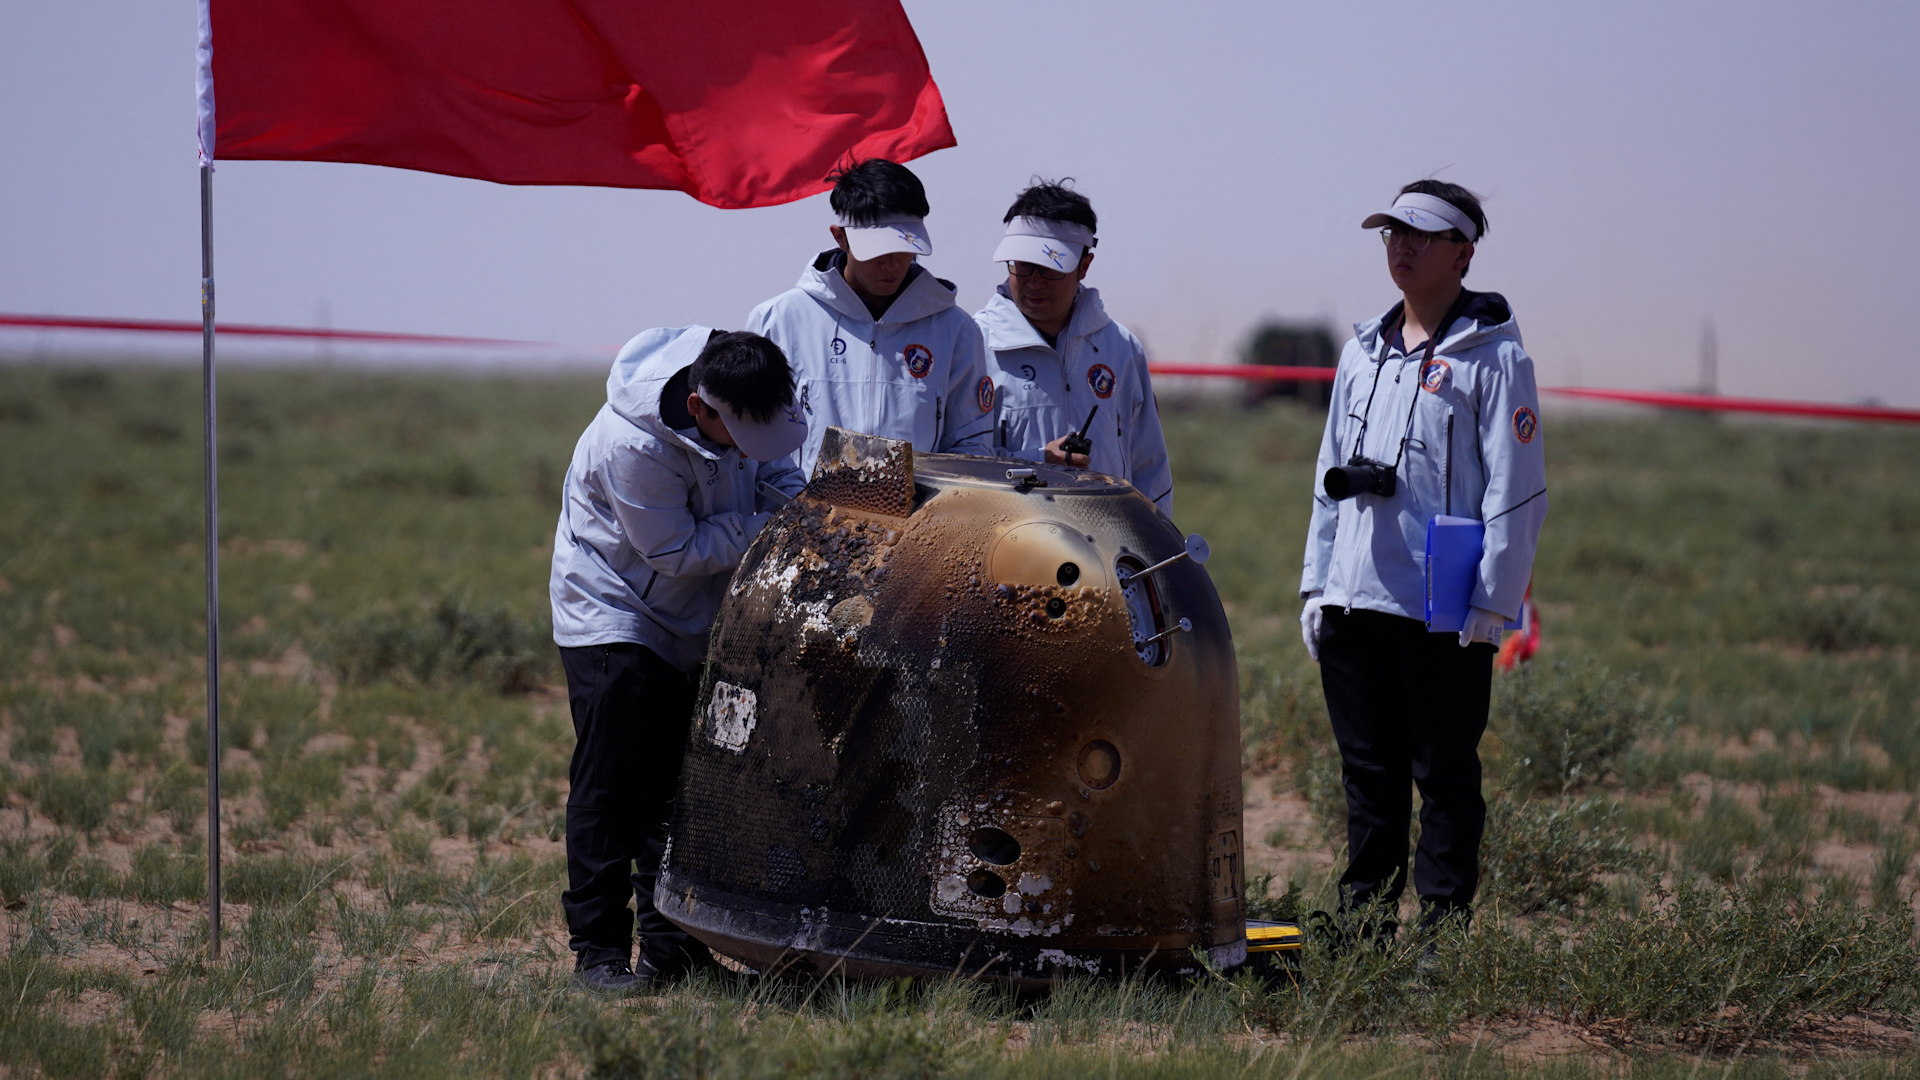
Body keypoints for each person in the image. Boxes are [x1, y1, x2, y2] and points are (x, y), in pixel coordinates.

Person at [1297, 181, 1547, 934]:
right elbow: (1325, 480)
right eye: (1391, 232)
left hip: (1445, 605)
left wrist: (1494, 601)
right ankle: (1364, 922)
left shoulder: (1496, 359)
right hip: (1355, 597)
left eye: (1422, 234)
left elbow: (1518, 490)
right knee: (1368, 776)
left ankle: (1443, 929)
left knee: (1443, 774)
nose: (1401, 245)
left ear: (1464, 253)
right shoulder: (1360, 352)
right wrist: (1317, 586)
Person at [548, 327, 807, 993]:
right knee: (614, 788)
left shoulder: (750, 384)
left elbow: (780, 474)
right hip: (614, 611)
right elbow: (678, 551)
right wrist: (768, 525)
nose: (753, 452)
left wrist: (783, 501)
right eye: (740, 439)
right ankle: (599, 955)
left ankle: (674, 952)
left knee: (681, 788)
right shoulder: (630, 445)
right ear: (700, 409)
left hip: (694, 615)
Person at [746, 158, 995, 475]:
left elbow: (971, 444)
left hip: (916, 521)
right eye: (877, 251)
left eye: (905, 247)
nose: (891, 264)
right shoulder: (778, 321)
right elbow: (755, 440)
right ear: (840, 237)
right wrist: (795, 501)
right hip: (804, 518)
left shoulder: (956, 329)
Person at [973, 180, 1173, 517]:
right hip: (1005, 545)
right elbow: (958, 464)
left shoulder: (1121, 348)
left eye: (1051, 268)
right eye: (1021, 265)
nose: (1034, 281)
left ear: (1084, 266)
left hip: (1106, 546)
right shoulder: (975, 343)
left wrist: (1153, 556)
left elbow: (1150, 468)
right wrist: (1039, 462)